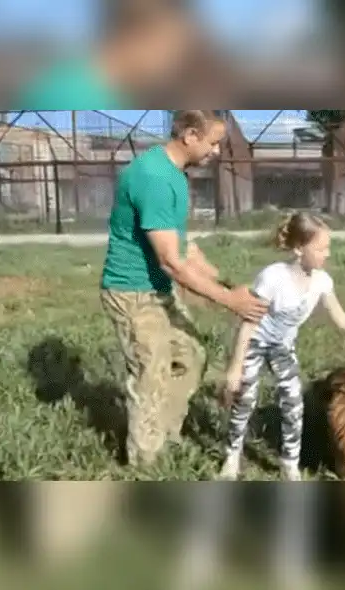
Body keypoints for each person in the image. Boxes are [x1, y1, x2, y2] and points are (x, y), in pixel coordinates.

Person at [100, 110, 268, 468]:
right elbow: (171, 262)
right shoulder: (154, 178)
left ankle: (166, 435)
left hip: (157, 289)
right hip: (132, 292)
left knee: (191, 356)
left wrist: (227, 284)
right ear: (190, 135)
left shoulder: (173, 175)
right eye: (214, 142)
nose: (217, 151)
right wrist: (229, 302)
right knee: (152, 372)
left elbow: (184, 249)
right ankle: (145, 463)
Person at [218, 212, 345, 481]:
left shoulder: (321, 281)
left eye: (327, 248)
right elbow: (248, 324)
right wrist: (234, 369)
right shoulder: (273, 278)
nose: (326, 254)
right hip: (255, 343)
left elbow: (340, 319)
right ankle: (232, 456)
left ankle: (289, 464)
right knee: (245, 399)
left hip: (282, 346)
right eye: (320, 248)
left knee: (293, 403)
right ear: (298, 249)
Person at [15, 2, 192, 110]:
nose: (175, 65)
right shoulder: (70, 95)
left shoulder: (121, 93)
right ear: (137, 35)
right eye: (172, 51)